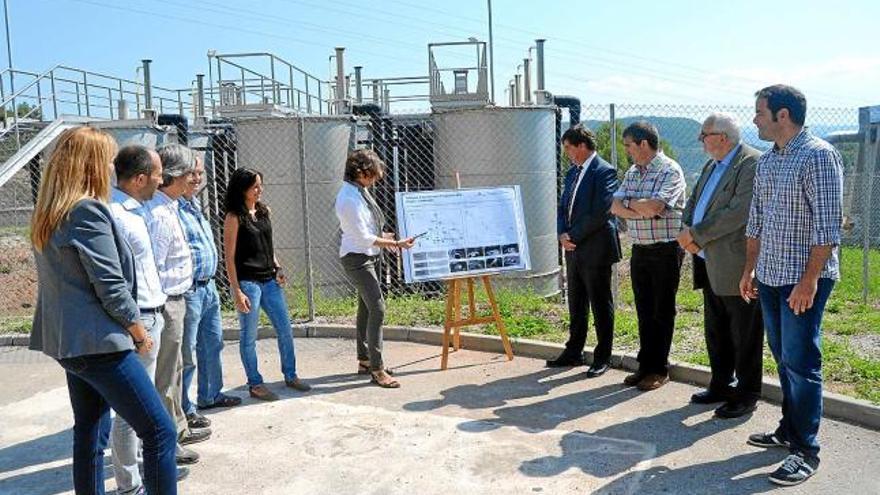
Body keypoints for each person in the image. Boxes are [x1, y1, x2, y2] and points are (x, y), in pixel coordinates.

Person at [28, 127, 178, 494]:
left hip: (71, 345)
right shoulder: (86, 211)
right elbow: (110, 285)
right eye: (106, 159)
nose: (111, 167)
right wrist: (139, 333)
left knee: (91, 433)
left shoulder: (49, 213)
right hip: (101, 345)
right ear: (89, 163)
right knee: (160, 431)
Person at [740, 84, 843, 486]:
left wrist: (809, 279)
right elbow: (757, 222)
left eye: (759, 113)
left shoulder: (818, 156)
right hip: (770, 275)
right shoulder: (768, 161)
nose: (755, 119)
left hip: (803, 280)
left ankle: (806, 451)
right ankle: (788, 429)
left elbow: (828, 225)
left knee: (802, 362)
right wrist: (750, 269)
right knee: (784, 357)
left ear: (783, 115)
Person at [108, 145, 191, 492]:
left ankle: (142, 466)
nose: (162, 180)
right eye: (158, 174)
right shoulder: (118, 215)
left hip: (152, 314)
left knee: (148, 403)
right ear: (141, 178)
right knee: (133, 410)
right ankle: (130, 483)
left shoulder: (137, 210)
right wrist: (138, 328)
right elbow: (115, 280)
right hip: (140, 320)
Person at [678, 113, 764, 419]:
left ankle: (746, 393)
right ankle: (721, 384)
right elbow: (695, 200)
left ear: (722, 137)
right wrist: (686, 228)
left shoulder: (750, 163)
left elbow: (738, 212)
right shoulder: (712, 164)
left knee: (744, 331)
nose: (701, 141)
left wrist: (696, 235)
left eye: (705, 135)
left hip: (735, 262)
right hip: (706, 258)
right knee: (716, 329)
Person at [611, 121, 687, 391]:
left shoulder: (670, 170)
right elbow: (615, 206)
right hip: (640, 249)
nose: (627, 151)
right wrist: (637, 208)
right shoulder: (633, 172)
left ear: (644, 143)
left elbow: (656, 206)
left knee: (662, 310)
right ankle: (645, 366)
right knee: (643, 309)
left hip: (665, 250)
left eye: (629, 145)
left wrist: (634, 205)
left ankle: (659, 369)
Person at [223, 167, 311, 401]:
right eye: (255, 186)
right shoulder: (234, 217)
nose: (260, 190)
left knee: (285, 329)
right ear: (243, 189)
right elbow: (229, 257)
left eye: (261, 184)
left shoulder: (263, 212)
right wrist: (237, 291)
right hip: (249, 283)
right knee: (249, 336)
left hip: (270, 281)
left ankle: (290, 375)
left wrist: (278, 267)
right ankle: (255, 383)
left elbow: (268, 246)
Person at [147, 144, 210, 461]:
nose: (194, 178)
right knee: (165, 375)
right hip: (166, 302)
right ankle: (166, 442)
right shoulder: (158, 214)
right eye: (190, 173)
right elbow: (152, 268)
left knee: (177, 368)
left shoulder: (171, 206)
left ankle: (179, 428)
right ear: (174, 176)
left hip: (178, 298)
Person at [334, 149, 415, 389]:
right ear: (360, 172)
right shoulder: (348, 198)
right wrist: (395, 243)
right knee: (378, 309)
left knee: (366, 309)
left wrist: (384, 237)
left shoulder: (360, 191)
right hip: (357, 259)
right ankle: (377, 369)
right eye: (373, 174)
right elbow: (361, 236)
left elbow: (367, 229)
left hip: (367, 254)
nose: (376, 179)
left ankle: (365, 360)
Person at [546, 125, 621, 378]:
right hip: (573, 248)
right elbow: (563, 206)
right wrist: (561, 233)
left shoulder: (604, 171)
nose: (566, 153)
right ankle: (573, 350)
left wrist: (573, 235)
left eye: (568, 148)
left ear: (582, 146)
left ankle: (603, 356)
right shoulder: (571, 173)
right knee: (576, 302)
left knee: (600, 303)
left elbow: (601, 211)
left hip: (595, 248)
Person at [179, 155, 242, 416]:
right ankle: (183, 409)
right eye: (191, 173)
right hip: (189, 289)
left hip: (209, 286)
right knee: (188, 352)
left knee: (212, 344)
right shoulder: (172, 208)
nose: (197, 178)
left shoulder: (193, 204)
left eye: (200, 173)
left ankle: (210, 395)